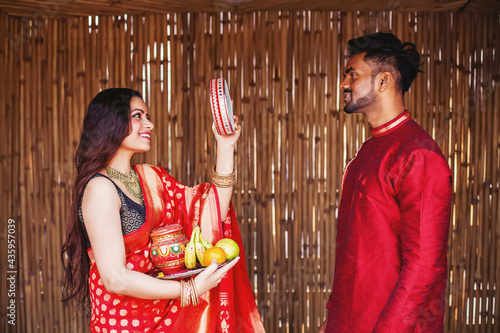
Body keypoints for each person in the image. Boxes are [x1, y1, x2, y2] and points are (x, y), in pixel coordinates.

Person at [62, 88, 265, 332]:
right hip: (123, 324)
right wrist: (190, 290)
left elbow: (211, 215)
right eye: (138, 116)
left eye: (147, 116)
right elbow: (115, 278)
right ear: (110, 122)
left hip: (169, 315)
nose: (149, 124)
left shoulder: (151, 178)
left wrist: (225, 145)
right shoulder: (99, 188)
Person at [319, 33, 452, 332]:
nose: (343, 84)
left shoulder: (419, 155)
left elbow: (423, 268)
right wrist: (333, 318)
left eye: (352, 75)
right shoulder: (368, 151)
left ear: (383, 81)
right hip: (348, 321)